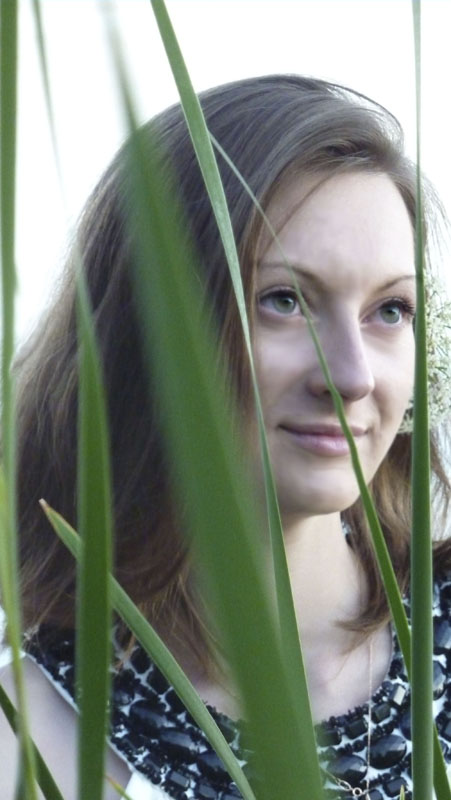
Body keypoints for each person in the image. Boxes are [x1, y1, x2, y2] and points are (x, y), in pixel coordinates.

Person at [1, 74, 451, 800]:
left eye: (390, 311)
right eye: (284, 300)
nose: (352, 376)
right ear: (149, 326)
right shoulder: (30, 740)